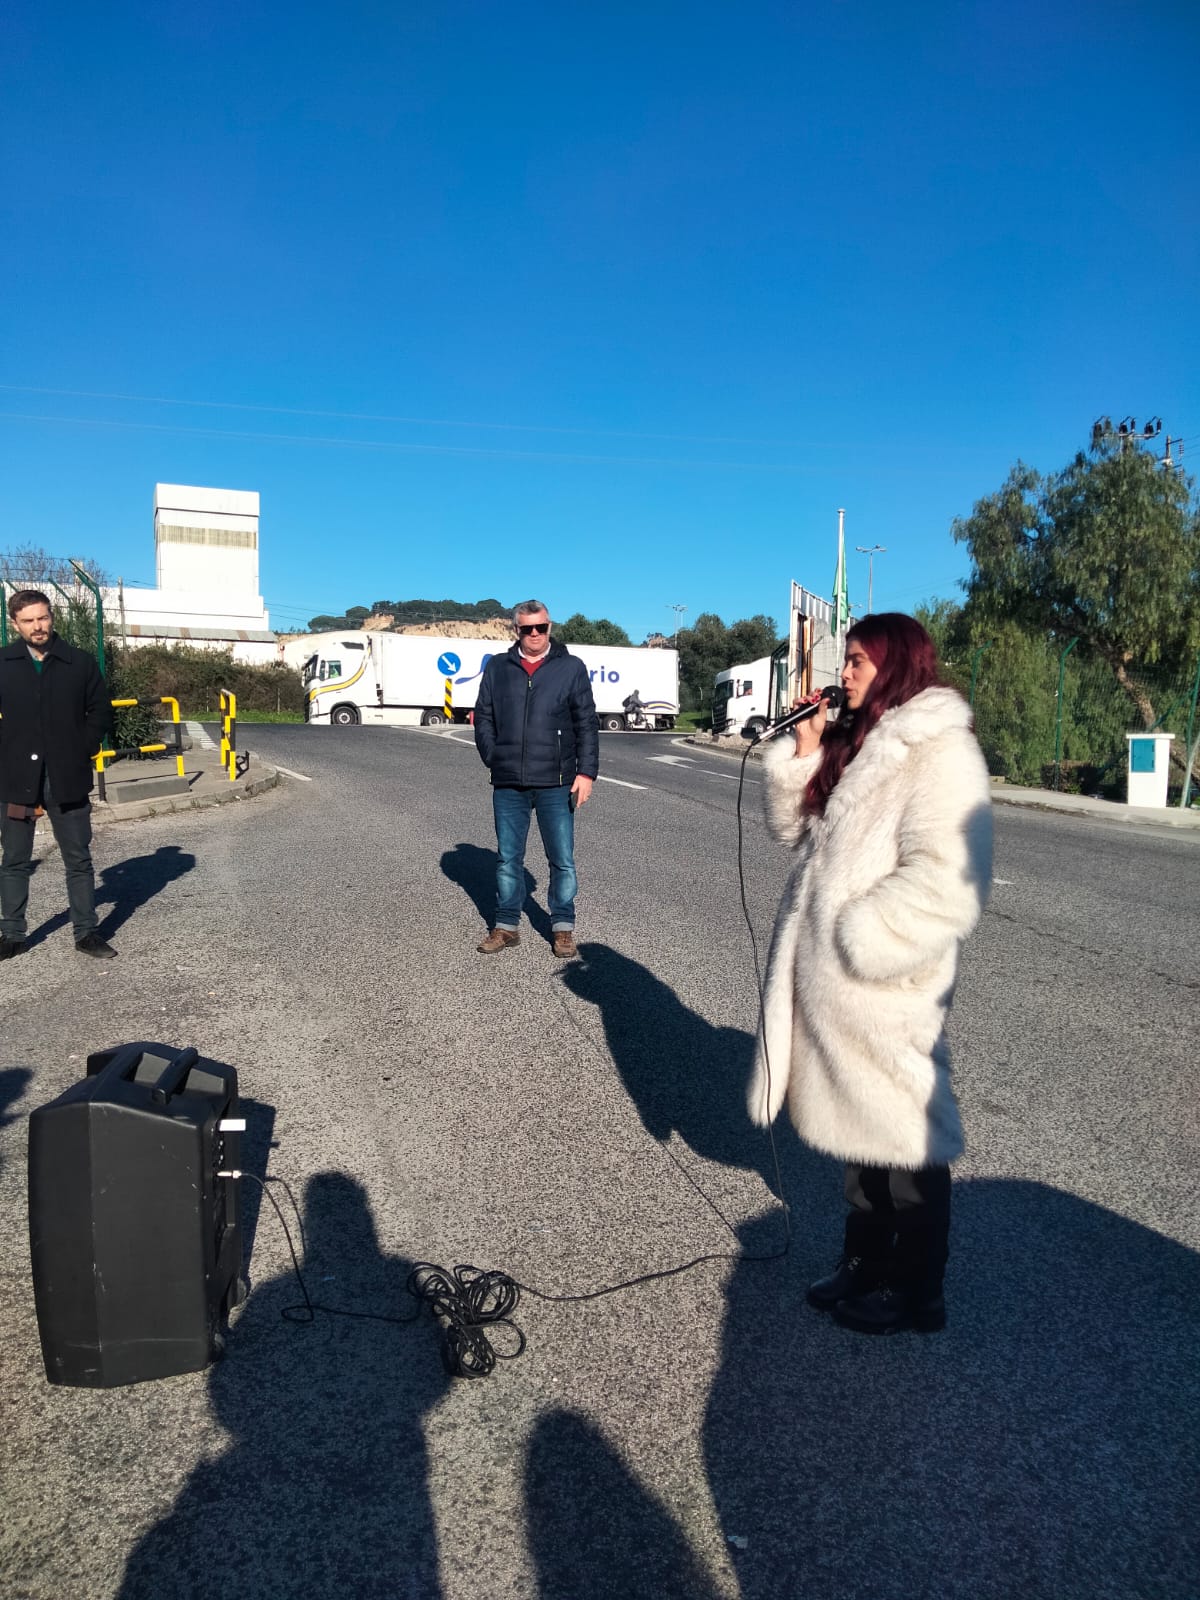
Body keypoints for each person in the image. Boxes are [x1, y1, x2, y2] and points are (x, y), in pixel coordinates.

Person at [748, 613, 992, 1334]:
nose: (844, 672)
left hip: (886, 983)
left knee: (907, 1144)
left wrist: (861, 939)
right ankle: (865, 1262)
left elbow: (950, 877)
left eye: (857, 661)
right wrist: (806, 750)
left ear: (894, 664)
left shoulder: (940, 751)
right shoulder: (860, 742)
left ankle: (919, 1293)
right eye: (846, 659)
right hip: (837, 988)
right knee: (860, 1141)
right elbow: (795, 834)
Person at [473, 600, 598, 959]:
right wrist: (492, 755)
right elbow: (484, 716)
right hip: (508, 781)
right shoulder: (498, 667)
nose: (533, 634)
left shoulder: (570, 668)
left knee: (562, 859)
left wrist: (586, 772)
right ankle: (506, 925)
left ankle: (562, 928)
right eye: (526, 628)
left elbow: (586, 723)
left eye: (539, 627)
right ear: (516, 630)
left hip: (557, 781)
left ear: (549, 627)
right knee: (508, 859)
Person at [0, 590, 117, 960]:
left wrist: (80, 748)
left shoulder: (78, 663)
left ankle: (87, 933)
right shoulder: (3, 663)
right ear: (14, 624)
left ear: (52, 617)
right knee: (15, 859)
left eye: (43, 617)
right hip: (16, 778)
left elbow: (100, 711)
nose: (38, 626)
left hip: (67, 777)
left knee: (78, 858)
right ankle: (12, 934)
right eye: (29, 620)